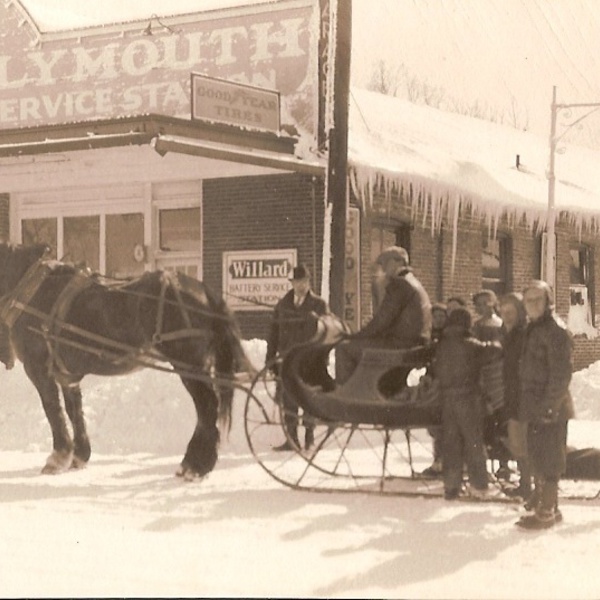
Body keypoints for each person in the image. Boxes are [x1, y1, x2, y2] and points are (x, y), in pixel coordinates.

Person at [515, 280, 574, 530]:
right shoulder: (534, 328)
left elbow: (561, 375)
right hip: (535, 404)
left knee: (550, 458)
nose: (532, 305)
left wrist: (550, 406)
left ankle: (546, 512)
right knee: (538, 456)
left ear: (548, 302)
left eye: (538, 300)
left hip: (551, 406)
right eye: (528, 301)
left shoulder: (555, 330)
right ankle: (550, 506)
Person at [430, 306, 503, 499]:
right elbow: (495, 351)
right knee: (473, 443)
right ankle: (479, 486)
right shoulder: (472, 345)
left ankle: (451, 486)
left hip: (447, 400)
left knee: (451, 443)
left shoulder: (441, 345)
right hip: (468, 399)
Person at [335, 245, 432, 385]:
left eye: (386, 263)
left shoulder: (400, 284)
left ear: (398, 262)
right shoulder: (414, 283)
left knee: (344, 348)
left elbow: (382, 321)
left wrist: (355, 336)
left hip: (400, 345)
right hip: (415, 344)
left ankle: (346, 395)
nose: (384, 269)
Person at [265, 264, 329, 451]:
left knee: (309, 399)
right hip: (287, 361)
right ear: (292, 283)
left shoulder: (319, 305)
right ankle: (292, 440)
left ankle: (309, 437)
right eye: (296, 282)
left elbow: (326, 333)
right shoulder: (283, 305)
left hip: (310, 362)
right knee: (288, 400)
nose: (300, 286)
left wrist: (322, 361)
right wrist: (270, 358)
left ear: (308, 282)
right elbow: (273, 333)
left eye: (303, 282)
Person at [472, 289, 510, 479]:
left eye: (486, 302)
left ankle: (504, 464)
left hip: (500, 376)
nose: (483, 306)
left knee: (502, 421)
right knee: (484, 422)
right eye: (478, 304)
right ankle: (485, 464)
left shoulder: (502, 324)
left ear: (494, 302)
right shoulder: (476, 326)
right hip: (482, 375)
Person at [498, 292, 531, 500]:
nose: (506, 316)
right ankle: (525, 485)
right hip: (511, 395)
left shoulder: (523, 335)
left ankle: (530, 487)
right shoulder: (507, 334)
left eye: (511, 312)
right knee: (517, 442)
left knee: (525, 444)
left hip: (523, 396)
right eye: (503, 312)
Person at [421, 302, 447, 477]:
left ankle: (442, 463)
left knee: (441, 426)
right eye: (434, 317)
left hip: (444, 385)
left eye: (440, 317)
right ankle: (439, 461)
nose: (437, 320)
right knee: (435, 426)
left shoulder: (447, 337)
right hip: (434, 382)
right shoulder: (432, 336)